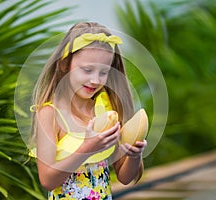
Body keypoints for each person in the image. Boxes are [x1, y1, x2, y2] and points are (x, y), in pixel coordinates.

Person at [30, 22, 147, 199]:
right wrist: (88, 148)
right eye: (87, 70)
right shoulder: (50, 114)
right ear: (64, 65)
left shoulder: (106, 111)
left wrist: (134, 155)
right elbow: (47, 180)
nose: (95, 80)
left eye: (103, 72)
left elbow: (124, 177)